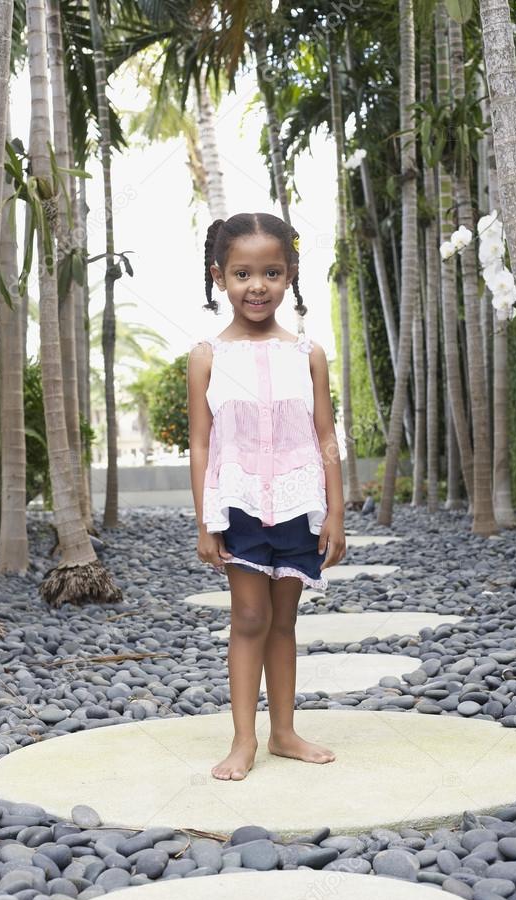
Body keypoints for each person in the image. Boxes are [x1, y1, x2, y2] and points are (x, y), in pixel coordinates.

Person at [187, 212, 346, 781]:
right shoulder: (208, 355)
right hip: (242, 505)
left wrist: (335, 514)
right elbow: (201, 445)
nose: (257, 285)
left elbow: (326, 437)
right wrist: (208, 520)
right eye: (242, 273)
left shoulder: (308, 353)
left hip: (299, 504)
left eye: (272, 272)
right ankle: (242, 740)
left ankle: (283, 732)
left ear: (290, 275)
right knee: (249, 616)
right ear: (219, 277)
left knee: (285, 620)